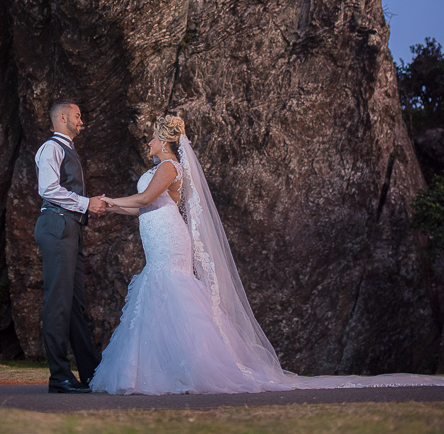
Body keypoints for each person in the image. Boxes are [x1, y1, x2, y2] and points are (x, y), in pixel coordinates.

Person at [90, 114, 444, 395]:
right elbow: (141, 208)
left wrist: (109, 200)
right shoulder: (156, 170)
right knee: (157, 296)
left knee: (172, 291)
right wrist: (111, 209)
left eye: (152, 136)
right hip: (154, 231)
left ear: (165, 140)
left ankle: (195, 368)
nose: (148, 141)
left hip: (169, 237)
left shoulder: (169, 167)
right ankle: (159, 370)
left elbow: (149, 200)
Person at [34, 99, 106, 394]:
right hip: (57, 225)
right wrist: (87, 203)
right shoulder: (51, 147)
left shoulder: (67, 149)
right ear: (62, 117)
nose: (82, 120)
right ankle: (59, 377)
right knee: (59, 302)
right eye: (78, 115)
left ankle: (91, 374)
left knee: (75, 304)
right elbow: (48, 189)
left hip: (69, 227)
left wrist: (87, 206)